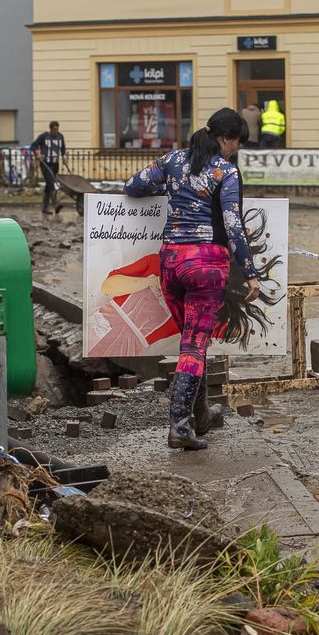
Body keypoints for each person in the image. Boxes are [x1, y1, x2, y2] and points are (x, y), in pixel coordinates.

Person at [124, 108, 262, 451]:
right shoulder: (226, 172)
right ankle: (180, 426)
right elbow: (234, 226)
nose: (236, 149)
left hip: (170, 262)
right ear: (225, 139)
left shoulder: (172, 161)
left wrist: (168, 190)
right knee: (194, 346)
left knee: (191, 343)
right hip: (206, 265)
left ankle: (199, 417)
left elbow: (133, 186)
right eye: (236, 143)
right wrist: (251, 273)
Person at [32, 121, 66, 214]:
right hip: (45, 163)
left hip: (55, 163)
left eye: (57, 129)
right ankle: (56, 204)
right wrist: (37, 154)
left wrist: (63, 157)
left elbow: (62, 148)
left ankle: (44, 207)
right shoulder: (44, 136)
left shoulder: (60, 137)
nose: (56, 131)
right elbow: (34, 145)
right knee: (51, 183)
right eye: (54, 129)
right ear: (51, 129)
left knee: (49, 185)